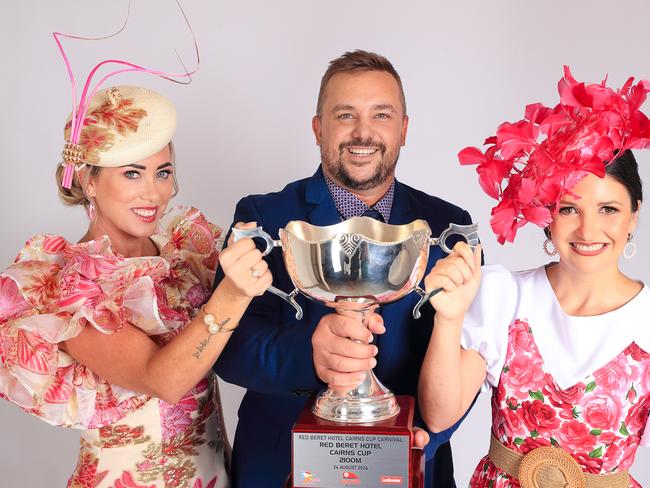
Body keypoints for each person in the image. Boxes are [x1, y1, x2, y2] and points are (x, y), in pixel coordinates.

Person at [213, 50, 474, 487]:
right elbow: (228, 348)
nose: (363, 132)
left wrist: (430, 437)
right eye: (345, 114)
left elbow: (471, 355)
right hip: (282, 465)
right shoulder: (263, 217)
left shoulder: (449, 227)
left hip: (410, 463)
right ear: (318, 128)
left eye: (382, 115)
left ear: (404, 129)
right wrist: (309, 355)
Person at [0, 84, 272, 487]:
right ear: (89, 182)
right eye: (132, 173)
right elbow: (162, 379)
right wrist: (233, 294)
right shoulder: (75, 287)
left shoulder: (182, 255)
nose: (154, 192)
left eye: (162, 172)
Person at [419, 68, 650, 486]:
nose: (588, 230)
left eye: (608, 210)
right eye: (568, 209)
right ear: (544, 217)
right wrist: (449, 319)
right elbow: (439, 415)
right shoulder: (506, 296)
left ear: (634, 215)